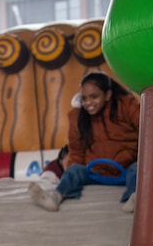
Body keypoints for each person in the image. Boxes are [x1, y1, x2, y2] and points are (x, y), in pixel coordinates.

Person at [30, 72, 141, 213]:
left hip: (124, 169)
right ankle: (56, 196)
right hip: (96, 171)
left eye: (94, 97)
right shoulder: (78, 117)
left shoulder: (126, 106)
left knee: (138, 169)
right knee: (75, 170)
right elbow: (77, 150)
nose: (88, 103)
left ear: (107, 95)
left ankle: (134, 197)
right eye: (84, 98)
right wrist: (69, 173)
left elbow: (148, 127)